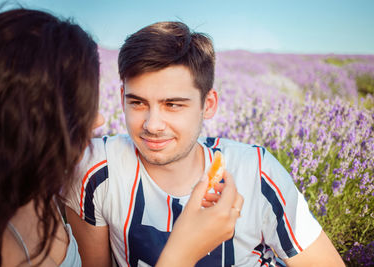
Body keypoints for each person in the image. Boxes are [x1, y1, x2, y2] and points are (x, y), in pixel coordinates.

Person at [0, 9, 242, 267]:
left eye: (173, 104)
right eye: (78, 107)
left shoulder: (38, 193)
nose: (99, 121)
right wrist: (182, 251)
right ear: (17, 117)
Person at [65, 21, 346, 266]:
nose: (152, 124)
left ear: (208, 104)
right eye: (137, 103)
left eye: (173, 105)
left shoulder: (255, 171)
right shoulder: (98, 170)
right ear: (122, 96)